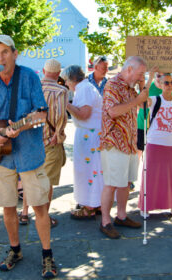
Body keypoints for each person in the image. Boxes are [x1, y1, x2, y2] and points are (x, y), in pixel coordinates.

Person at [0, 35, 57, 278]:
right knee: (7, 208)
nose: (0, 58)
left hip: (29, 153)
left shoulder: (29, 77)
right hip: (1, 157)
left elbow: (40, 114)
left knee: (39, 207)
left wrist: (21, 126)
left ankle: (47, 255)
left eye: (4, 53)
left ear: (15, 53)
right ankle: (15, 250)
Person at [99, 56, 157, 239]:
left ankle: (121, 216)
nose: (141, 76)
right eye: (140, 73)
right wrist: (137, 98)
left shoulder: (131, 87)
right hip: (115, 142)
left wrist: (147, 82)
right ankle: (105, 221)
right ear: (129, 69)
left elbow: (143, 104)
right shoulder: (113, 85)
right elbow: (113, 111)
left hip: (130, 142)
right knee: (111, 184)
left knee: (125, 183)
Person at [18, 59, 68, 227]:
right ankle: (44, 218)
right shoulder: (61, 90)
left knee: (28, 179)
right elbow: (61, 114)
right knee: (47, 183)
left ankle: (24, 213)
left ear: (44, 71)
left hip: (30, 142)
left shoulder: (30, 88)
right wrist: (59, 133)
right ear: (59, 73)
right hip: (50, 141)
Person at [138, 73, 172, 216]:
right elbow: (141, 101)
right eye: (166, 83)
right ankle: (145, 207)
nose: (170, 86)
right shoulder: (154, 100)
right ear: (160, 84)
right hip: (155, 143)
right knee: (151, 176)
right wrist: (150, 76)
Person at [64, 65, 104, 219]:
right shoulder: (86, 87)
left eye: (67, 80)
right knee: (93, 171)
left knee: (88, 171)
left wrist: (66, 104)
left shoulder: (84, 89)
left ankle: (89, 206)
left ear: (73, 79)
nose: (66, 84)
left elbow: (84, 114)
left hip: (90, 135)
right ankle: (95, 203)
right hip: (91, 134)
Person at [137, 73, 163, 158]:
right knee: (138, 153)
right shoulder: (149, 87)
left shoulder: (167, 89)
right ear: (155, 76)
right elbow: (138, 102)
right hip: (142, 124)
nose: (160, 78)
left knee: (152, 155)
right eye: (159, 76)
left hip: (156, 127)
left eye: (163, 76)